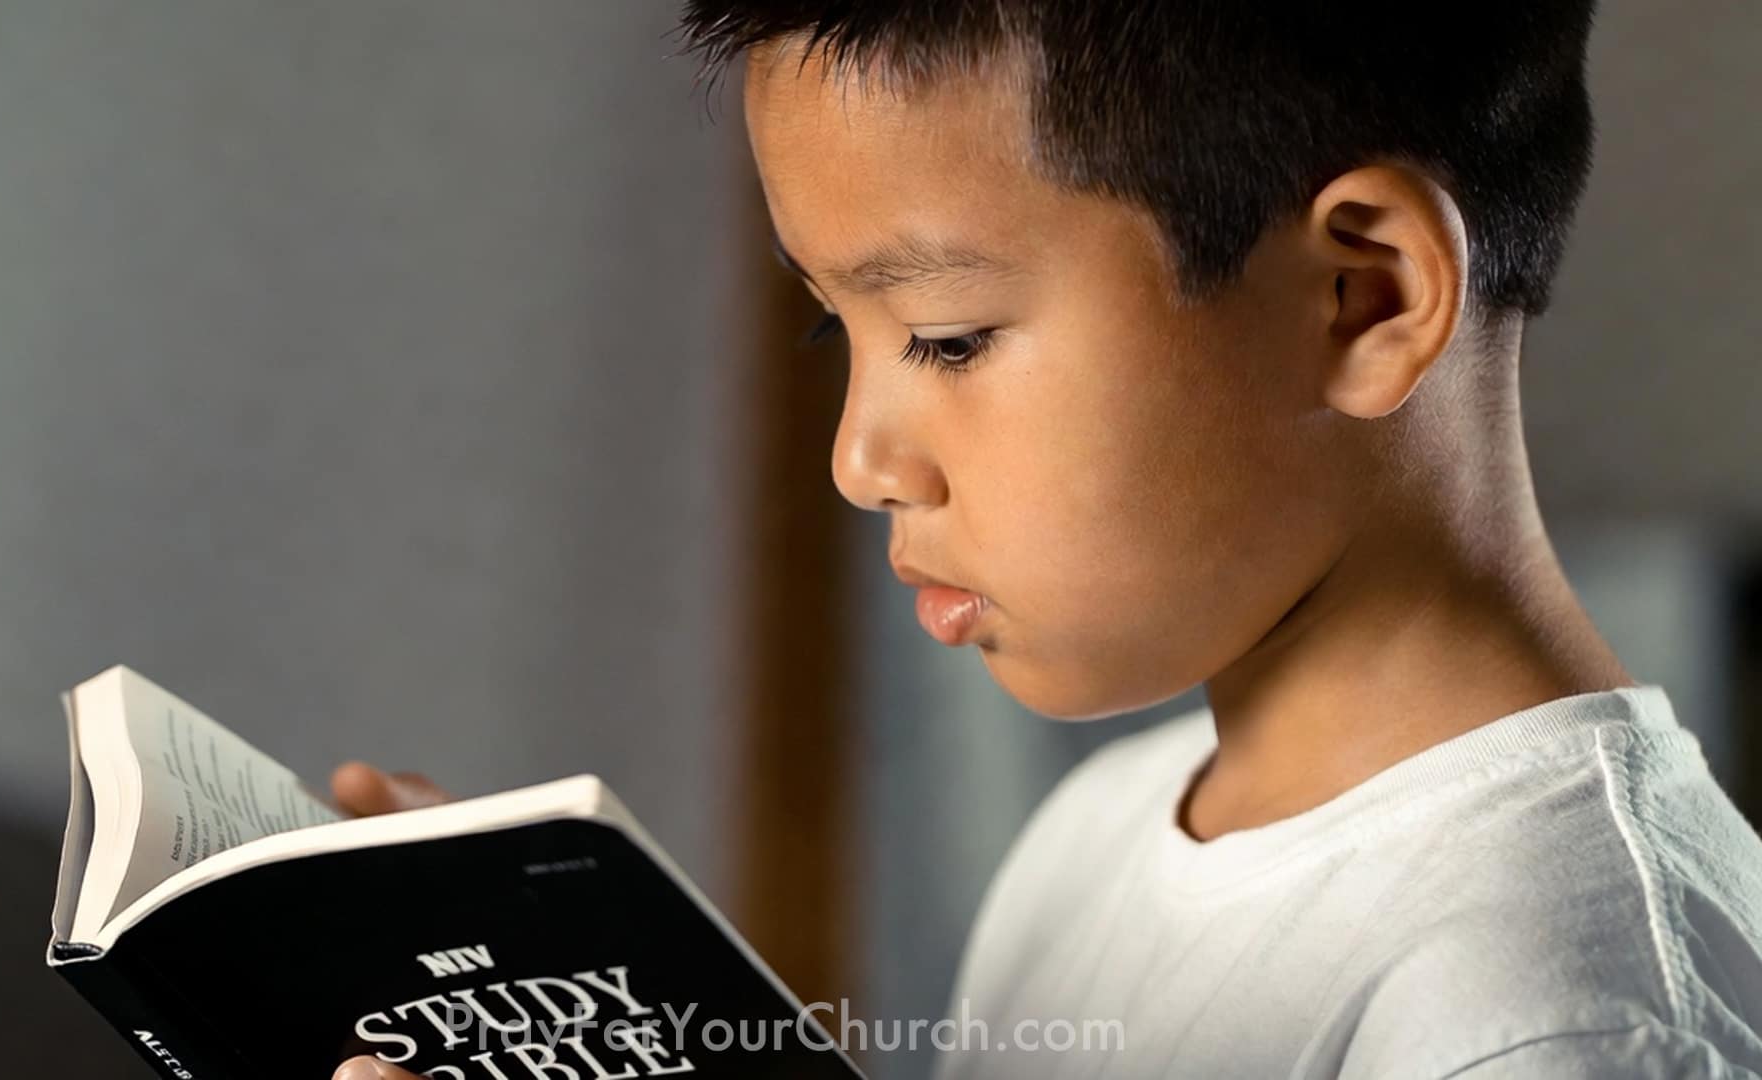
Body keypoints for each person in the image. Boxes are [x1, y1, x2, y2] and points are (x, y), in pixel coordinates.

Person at [332, 2, 1762, 1077]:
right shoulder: (1102, 830)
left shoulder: (1551, 1017)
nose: (859, 461)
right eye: (846, 333)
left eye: (946, 337)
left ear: (1361, 299)